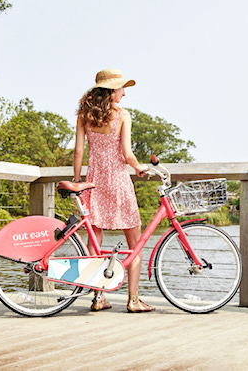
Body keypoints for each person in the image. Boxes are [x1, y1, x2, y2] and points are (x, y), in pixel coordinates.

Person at [73, 68, 155, 313]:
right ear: (112, 90)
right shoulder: (122, 116)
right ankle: (133, 299)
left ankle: (98, 297)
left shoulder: (83, 116)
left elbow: (78, 152)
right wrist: (139, 168)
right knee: (136, 243)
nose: (124, 94)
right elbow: (127, 154)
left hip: (94, 180)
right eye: (122, 88)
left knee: (94, 240)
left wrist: (78, 181)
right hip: (118, 180)